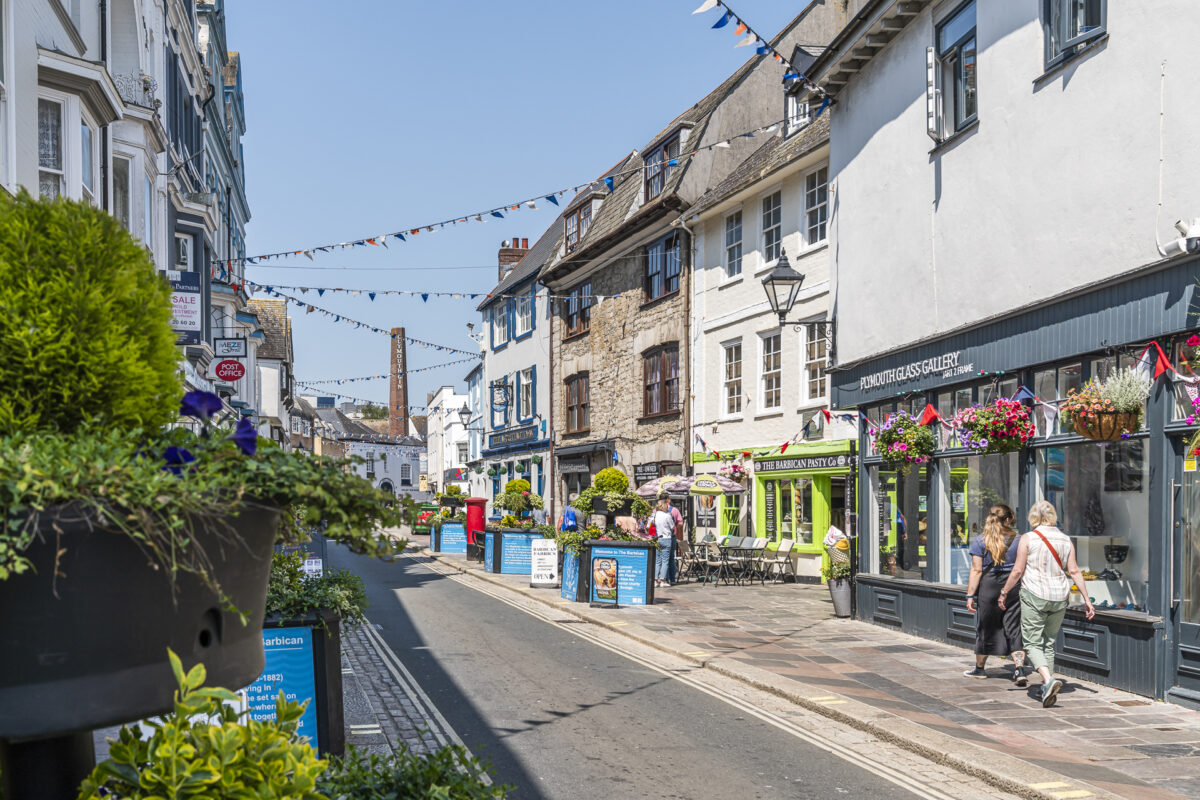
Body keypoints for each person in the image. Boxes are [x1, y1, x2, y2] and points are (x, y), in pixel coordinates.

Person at [998, 501, 1095, 708]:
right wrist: (1087, 599)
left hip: (1034, 594)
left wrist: (1004, 591)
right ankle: (1046, 686)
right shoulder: (1065, 539)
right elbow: (1075, 571)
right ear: (1053, 516)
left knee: (1032, 642)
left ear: (1033, 516)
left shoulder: (1028, 538)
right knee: (1048, 642)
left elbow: (1017, 571)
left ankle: (1048, 680)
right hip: (1060, 596)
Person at [963, 504, 1028, 685]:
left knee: (985, 626)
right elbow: (1021, 567)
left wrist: (970, 596)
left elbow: (976, 571)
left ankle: (980, 669)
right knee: (1014, 627)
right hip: (1012, 585)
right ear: (1008, 520)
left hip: (988, 586)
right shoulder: (1020, 539)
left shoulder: (980, 540)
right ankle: (1019, 669)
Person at [658, 492, 685, 583]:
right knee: (670, 558)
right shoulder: (674, 510)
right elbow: (681, 523)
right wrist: (675, 528)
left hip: (659, 537)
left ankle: (662, 579)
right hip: (671, 536)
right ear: (668, 499)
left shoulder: (656, 511)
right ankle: (671, 579)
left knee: (660, 559)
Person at [651, 497, 676, 588]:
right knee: (665, 561)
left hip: (657, 539)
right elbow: (672, 527)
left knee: (657, 560)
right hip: (666, 538)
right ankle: (662, 580)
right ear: (664, 506)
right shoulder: (667, 515)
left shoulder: (654, 515)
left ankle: (655, 580)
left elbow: (649, 526)